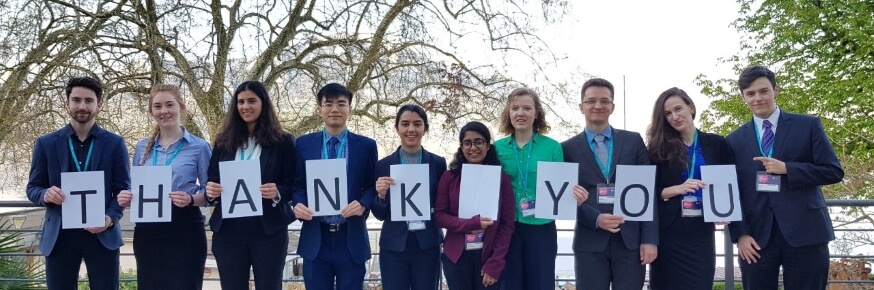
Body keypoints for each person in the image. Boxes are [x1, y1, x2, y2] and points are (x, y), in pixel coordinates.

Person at [726, 66, 843, 290]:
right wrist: (740, 234)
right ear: (743, 97)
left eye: (763, 91)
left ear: (775, 90)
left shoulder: (807, 125)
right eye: (750, 94)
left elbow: (833, 171)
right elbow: (733, 192)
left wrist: (788, 169)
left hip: (806, 233)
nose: (757, 98)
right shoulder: (733, 140)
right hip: (756, 240)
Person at [25, 76, 129, 289]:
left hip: (102, 234)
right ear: (67, 102)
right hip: (60, 237)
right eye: (77, 100)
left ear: (99, 104)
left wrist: (109, 218)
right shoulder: (45, 143)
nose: (82, 106)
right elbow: (33, 188)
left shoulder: (115, 143)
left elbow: (123, 191)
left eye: (89, 101)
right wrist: (45, 194)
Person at [561, 78, 658, 290]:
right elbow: (564, 198)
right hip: (590, 242)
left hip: (630, 241)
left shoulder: (634, 141)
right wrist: (596, 218)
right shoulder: (566, 149)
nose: (598, 106)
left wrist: (650, 239)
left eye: (605, 101)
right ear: (581, 106)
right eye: (591, 101)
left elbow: (648, 191)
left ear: (612, 107)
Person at [202, 80, 297, 289]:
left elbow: (293, 184)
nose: (246, 106)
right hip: (229, 231)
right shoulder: (223, 141)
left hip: (268, 230)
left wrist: (278, 192)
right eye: (241, 102)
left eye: (252, 101)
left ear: (263, 104)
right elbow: (212, 181)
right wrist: (211, 190)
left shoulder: (283, 141)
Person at [115, 84, 211, 290]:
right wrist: (127, 197)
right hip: (148, 230)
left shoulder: (200, 146)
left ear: (181, 108)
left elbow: (210, 192)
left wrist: (191, 199)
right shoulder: (142, 147)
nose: (164, 111)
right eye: (157, 106)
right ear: (151, 112)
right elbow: (135, 187)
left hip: (185, 227)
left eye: (169, 104)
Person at [494, 88, 587, 290]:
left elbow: (562, 186)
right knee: (510, 284)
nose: (521, 113)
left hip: (541, 226)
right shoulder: (497, 148)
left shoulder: (552, 147)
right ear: (508, 113)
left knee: (541, 283)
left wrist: (574, 196)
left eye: (527, 108)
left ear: (536, 114)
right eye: (515, 108)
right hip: (507, 226)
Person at [646, 87, 734, 289]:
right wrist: (676, 189)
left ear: (691, 107)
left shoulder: (717, 143)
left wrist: (724, 208)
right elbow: (648, 190)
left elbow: (729, 182)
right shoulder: (657, 148)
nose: (674, 117)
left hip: (701, 230)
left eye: (678, 109)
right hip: (669, 233)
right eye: (667, 113)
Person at [293, 83, 378, 289]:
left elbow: (372, 186)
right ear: (319, 110)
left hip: (350, 237)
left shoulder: (366, 146)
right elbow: (297, 185)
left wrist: (363, 204)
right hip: (316, 237)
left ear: (350, 109)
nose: (335, 109)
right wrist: (299, 204)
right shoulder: (303, 144)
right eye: (328, 104)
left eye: (341, 104)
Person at [372, 104, 446, 290]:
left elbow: (442, 204)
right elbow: (380, 214)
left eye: (417, 124)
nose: (411, 129)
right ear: (397, 128)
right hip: (394, 246)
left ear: (425, 128)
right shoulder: (383, 165)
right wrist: (381, 196)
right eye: (405, 124)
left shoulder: (437, 163)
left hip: (427, 244)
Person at [434, 121, 515, 290]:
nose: (473, 147)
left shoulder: (501, 179)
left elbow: (507, 225)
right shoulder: (449, 178)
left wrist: (495, 262)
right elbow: (440, 216)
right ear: (461, 147)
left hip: (489, 258)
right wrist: (471, 223)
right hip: (456, 257)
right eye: (467, 142)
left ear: (487, 146)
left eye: (479, 142)